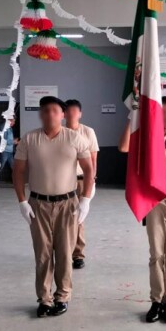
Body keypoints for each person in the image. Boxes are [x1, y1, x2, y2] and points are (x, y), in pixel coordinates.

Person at [14, 96, 94, 318]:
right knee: (42, 254)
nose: (50, 114)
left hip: (67, 204)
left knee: (66, 253)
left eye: (55, 110)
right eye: (46, 110)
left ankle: (62, 296)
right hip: (38, 204)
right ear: (41, 114)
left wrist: (85, 198)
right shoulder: (30, 139)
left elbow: (89, 169)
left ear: (63, 114)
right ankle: (44, 298)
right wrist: (22, 200)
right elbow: (18, 172)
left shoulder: (75, 138)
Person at [119, 96, 166, 324]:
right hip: (155, 202)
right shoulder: (146, 138)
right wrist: (134, 116)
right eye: (162, 111)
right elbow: (123, 147)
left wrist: (158, 154)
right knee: (156, 255)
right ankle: (156, 300)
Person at [64, 99, 100, 269]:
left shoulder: (88, 132)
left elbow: (93, 158)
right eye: (68, 111)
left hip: (81, 180)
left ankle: (78, 254)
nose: (71, 114)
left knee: (79, 217)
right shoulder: (60, 132)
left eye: (74, 111)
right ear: (63, 114)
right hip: (63, 180)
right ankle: (63, 251)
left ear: (80, 114)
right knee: (62, 216)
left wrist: (91, 182)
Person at [0, 117, 17, 185]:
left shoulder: (9, 128)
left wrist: (13, 141)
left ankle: (17, 182)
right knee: (0, 167)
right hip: (4, 151)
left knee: (13, 167)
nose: (14, 123)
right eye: (13, 121)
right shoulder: (4, 127)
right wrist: (13, 142)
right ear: (9, 120)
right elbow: (4, 140)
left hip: (9, 151)